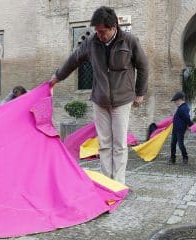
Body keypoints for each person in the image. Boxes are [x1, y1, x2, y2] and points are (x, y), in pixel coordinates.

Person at [49, 6, 149, 184]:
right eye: (97, 31)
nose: (99, 35)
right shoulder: (91, 42)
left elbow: (143, 66)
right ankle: (106, 182)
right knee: (104, 144)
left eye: (102, 31)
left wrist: (140, 92)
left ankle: (118, 183)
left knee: (119, 145)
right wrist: (58, 76)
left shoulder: (130, 41)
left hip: (122, 100)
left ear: (113, 27)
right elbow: (74, 59)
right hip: (100, 100)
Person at [169, 91, 193, 165]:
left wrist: (191, 125)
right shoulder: (181, 108)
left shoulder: (183, 108)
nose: (175, 102)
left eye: (175, 101)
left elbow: (187, 118)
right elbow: (181, 117)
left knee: (180, 144)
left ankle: (185, 158)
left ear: (180, 100)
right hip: (175, 129)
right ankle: (173, 159)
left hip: (180, 130)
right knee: (173, 144)